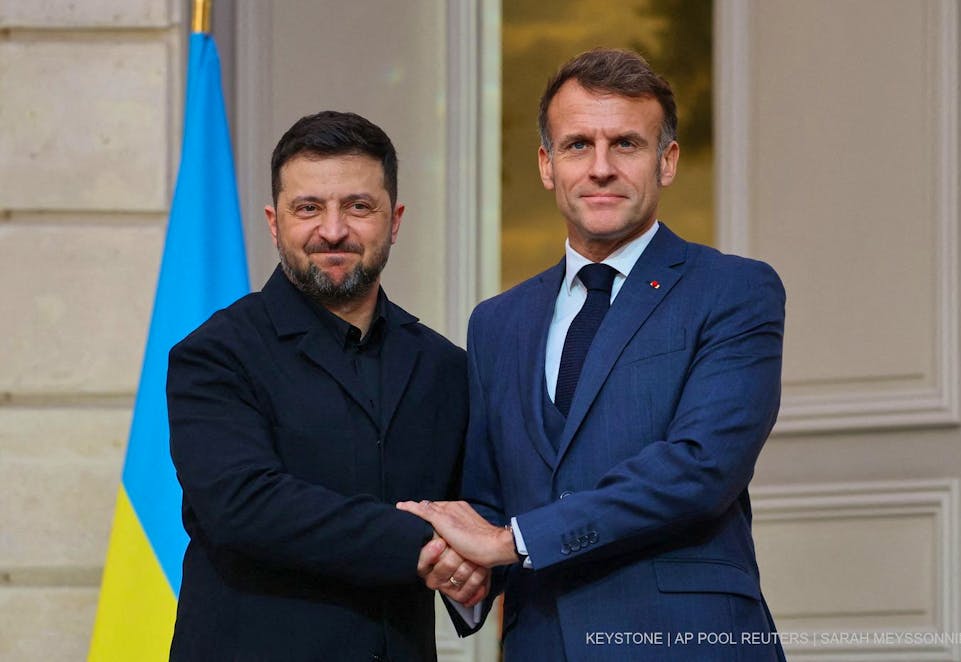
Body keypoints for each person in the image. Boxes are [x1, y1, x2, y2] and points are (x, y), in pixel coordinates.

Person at [399, 48, 787, 661]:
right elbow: (492, 498)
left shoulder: (734, 290)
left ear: (668, 162)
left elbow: (701, 467)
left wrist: (515, 540)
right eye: (578, 145)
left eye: (626, 144)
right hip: (540, 642)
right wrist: (469, 569)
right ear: (547, 165)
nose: (600, 167)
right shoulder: (496, 323)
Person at [167, 110, 486, 662]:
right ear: (274, 222)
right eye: (308, 208)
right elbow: (246, 505)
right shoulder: (215, 355)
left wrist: (483, 556)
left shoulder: (445, 366)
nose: (333, 230)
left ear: (395, 219)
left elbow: (478, 507)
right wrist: (430, 546)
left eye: (358, 206)